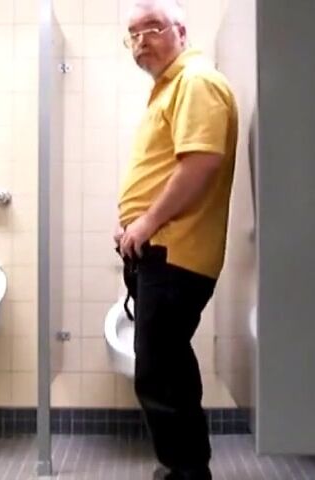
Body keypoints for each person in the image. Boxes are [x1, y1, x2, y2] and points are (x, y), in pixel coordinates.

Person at [114, 0, 239, 478]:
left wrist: (145, 223)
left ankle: (186, 473)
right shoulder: (171, 88)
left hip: (175, 252)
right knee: (166, 369)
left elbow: (201, 163)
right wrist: (132, 222)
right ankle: (182, 470)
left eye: (153, 28)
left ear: (181, 32)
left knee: (160, 374)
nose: (141, 41)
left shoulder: (196, 81)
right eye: (133, 34)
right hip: (162, 251)